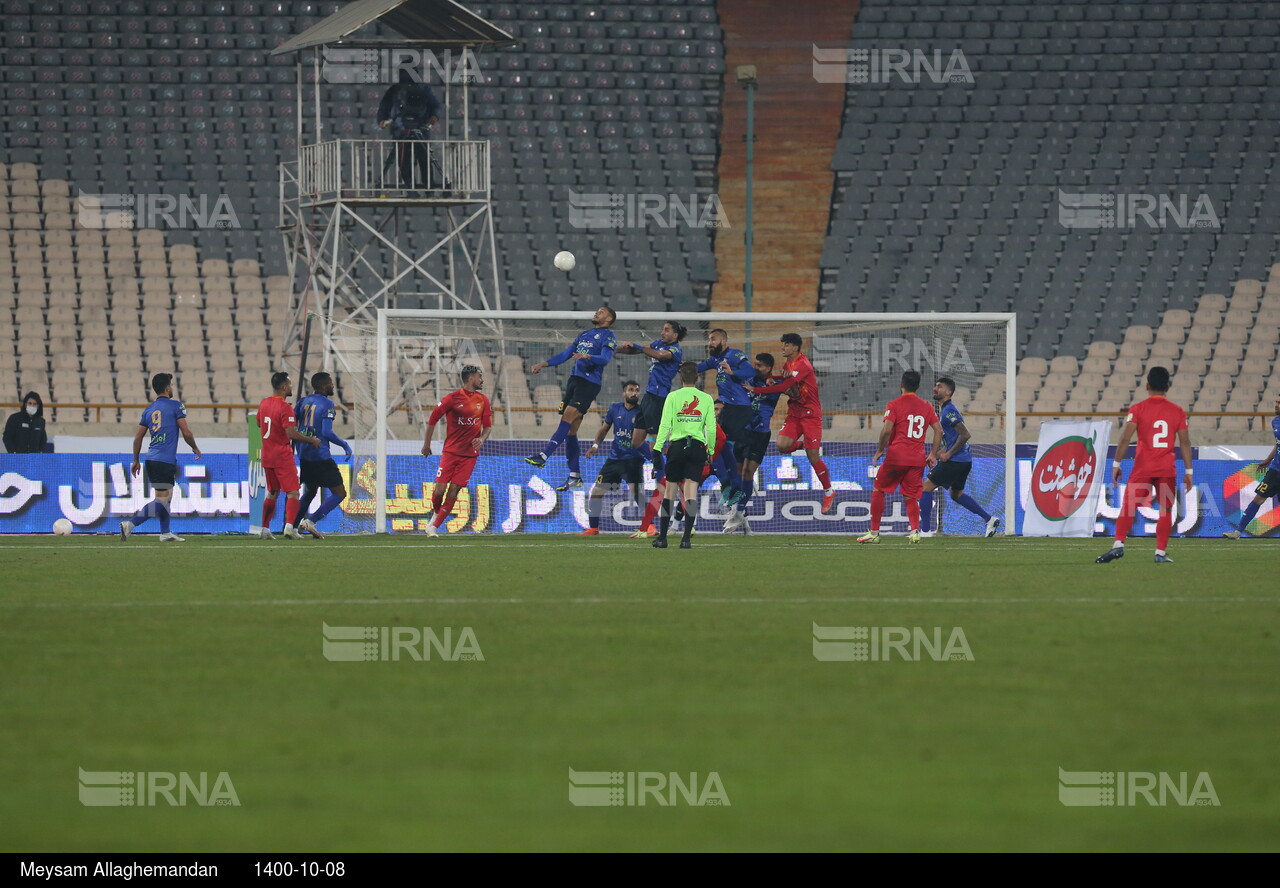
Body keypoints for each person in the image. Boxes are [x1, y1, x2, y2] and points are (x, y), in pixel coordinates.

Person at [1097, 366, 1193, 564]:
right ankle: (1159, 552)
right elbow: (1185, 442)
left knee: (1128, 506)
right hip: (1167, 469)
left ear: (1147, 385)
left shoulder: (1138, 409)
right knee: (1165, 510)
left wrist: (1116, 464)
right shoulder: (1178, 411)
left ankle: (1118, 545)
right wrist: (1189, 471)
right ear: (1168, 387)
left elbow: (1125, 439)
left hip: (1143, 468)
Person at [525, 306, 618, 491]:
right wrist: (543, 363)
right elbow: (566, 355)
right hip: (574, 381)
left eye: (601, 312)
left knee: (567, 417)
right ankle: (574, 476)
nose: (596, 312)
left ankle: (544, 456)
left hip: (589, 383)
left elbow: (605, 359)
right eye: (596, 310)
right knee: (570, 431)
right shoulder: (584, 334)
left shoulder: (608, 336)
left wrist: (587, 355)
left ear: (608, 319)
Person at [744, 333, 834, 512]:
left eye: (786, 345)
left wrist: (758, 388)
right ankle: (806, 445)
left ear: (795, 347)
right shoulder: (788, 364)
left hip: (810, 415)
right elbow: (789, 386)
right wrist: (775, 379)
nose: (783, 348)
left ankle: (829, 491)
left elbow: (786, 387)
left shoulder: (803, 365)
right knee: (782, 445)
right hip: (795, 412)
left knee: (813, 457)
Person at [860, 370, 942, 544]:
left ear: (901, 384)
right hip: (917, 459)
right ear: (918, 386)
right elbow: (938, 430)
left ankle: (874, 533)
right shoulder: (927, 406)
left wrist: (880, 448)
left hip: (896, 457)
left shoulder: (894, 404)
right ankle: (914, 532)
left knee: (879, 489)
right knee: (911, 496)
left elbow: (887, 429)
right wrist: (933, 454)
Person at [120, 374, 201, 542]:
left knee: (165, 497)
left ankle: (165, 532)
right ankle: (131, 524)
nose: (172, 387)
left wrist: (135, 460)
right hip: (165, 460)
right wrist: (194, 447)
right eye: (171, 385)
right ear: (167, 388)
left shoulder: (149, 410)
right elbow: (186, 432)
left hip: (151, 459)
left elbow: (138, 438)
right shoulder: (176, 406)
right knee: (163, 499)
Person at [920, 376, 1000, 537]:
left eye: (940, 386)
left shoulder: (949, 411)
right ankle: (989, 519)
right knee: (955, 494)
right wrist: (938, 453)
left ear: (948, 392)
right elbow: (954, 438)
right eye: (935, 385)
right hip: (964, 460)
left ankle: (925, 531)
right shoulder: (945, 410)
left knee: (925, 488)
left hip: (956, 460)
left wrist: (949, 453)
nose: (936, 388)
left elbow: (965, 434)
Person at [421, 364, 493, 538]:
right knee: (439, 490)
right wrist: (426, 445)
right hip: (451, 452)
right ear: (471, 378)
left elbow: (488, 427)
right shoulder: (452, 399)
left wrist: (481, 439)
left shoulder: (483, 400)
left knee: (454, 491)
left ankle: (433, 527)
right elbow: (432, 419)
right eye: (479, 376)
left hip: (469, 456)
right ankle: (437, 512)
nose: (482, 380)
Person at [651, 361, 717, 549]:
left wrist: (657, 449)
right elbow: (711, 428)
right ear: (697, 378)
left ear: (680, 378)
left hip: (678, 447)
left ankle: (662, 538)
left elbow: (664, 424)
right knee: (690, 493)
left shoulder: (672, 397)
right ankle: (686, 539)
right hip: (697, 447)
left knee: (670, 492)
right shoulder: (706, 399)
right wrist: (710, 450)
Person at [257, 372, 323, 541]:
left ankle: (264, 529)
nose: (292, 387)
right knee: (293, 492)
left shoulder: (264, 403)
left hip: (267, 454)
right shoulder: (285, 408)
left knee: (272, 492)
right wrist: (311, 440)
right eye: (290, 384)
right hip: (282, 455)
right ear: (284, 387)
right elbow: (291, 433)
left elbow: (259, 423)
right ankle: (289, 528)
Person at [723, 353, 781, 534]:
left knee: (748, 472)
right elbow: (733, 378)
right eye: (756, 364)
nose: (757, 368)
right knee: (738, 472)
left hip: (760, 433)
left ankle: (738, 512)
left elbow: (792, 388)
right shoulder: (747, 379)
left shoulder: (775, 384)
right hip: (743, 430)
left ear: (769, 367)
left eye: (761, 365)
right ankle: (738, 511)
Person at [616, 320, 687, 469]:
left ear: (675, 334)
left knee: (654, 439)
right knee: (636, 441)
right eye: (663, 329)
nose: (662, 332)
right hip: (649, 396)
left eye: (667, 330)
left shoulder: (675, 350)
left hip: (659, 398)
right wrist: (617, 350)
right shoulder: (658, 343)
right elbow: (639, 350)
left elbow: (660, 355)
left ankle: (663, 473)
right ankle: (659, 464)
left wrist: (638, 346)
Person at [294, 372, 353, 540]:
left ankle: (291, 526)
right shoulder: (327, 404)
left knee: (310, 492)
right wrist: (344, 444)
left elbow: (292, 422)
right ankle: (311, 521)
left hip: (304, 454)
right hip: (320, 455)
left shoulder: (302, 402)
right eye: (330, 383)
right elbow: (327, 432)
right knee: (340, 493)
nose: (333, 386)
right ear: (323, 385)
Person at [582, 381, 645, 535]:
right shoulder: (614, 409)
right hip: (614, 459)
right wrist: (595, 446)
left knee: (636, 492)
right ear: (624, 393)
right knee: (596, 491)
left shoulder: (642, 412)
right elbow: (604, 430)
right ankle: (593, 528)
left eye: (637, 390)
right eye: (631, 390)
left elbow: (648, 436)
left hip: (633, 459)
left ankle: (649, 526)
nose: (634, 393)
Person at [695, 328, 750, 496]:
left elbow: (750, 371)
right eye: (709, 339)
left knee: (724, 445)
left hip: (739, 408)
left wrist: (733, 372)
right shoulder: (715, 360)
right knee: (718, 445)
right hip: (729, 408)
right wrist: (681, 367)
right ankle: (729, 486)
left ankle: (731, 485)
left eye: (713, 339)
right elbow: (697, 368)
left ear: (724, 341)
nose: (710, 343)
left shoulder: (735, 355)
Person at [1224, 394, 1280, 539]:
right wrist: (1268, 459)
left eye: (1279, 403)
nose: (1276, 405)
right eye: (1276, 402)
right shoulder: (1276, 422)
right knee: (1259, 498)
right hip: (1275, 469)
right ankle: (1238, 531)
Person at [378, 70, 444, 189]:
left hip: (421, 129)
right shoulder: (395, 90)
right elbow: (384, 106)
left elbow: (435, 105)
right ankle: (410, 187)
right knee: (404, 161)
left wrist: (434, 116)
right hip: (401, 130)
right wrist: (382, 119)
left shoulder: (423, 88)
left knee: (424, 159)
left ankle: (429, 187)